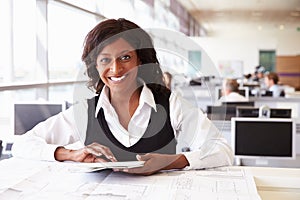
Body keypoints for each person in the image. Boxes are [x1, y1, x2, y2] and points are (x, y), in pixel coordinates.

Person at [12, 18, 233, 175]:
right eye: (105, 60)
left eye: (125, 57)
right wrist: (70, 154)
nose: (116, 69)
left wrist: (170, 162)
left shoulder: (170, 104)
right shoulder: (84, 112)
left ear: (141, 60)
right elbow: (22, 145)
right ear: (95, 66)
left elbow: (221, 149)